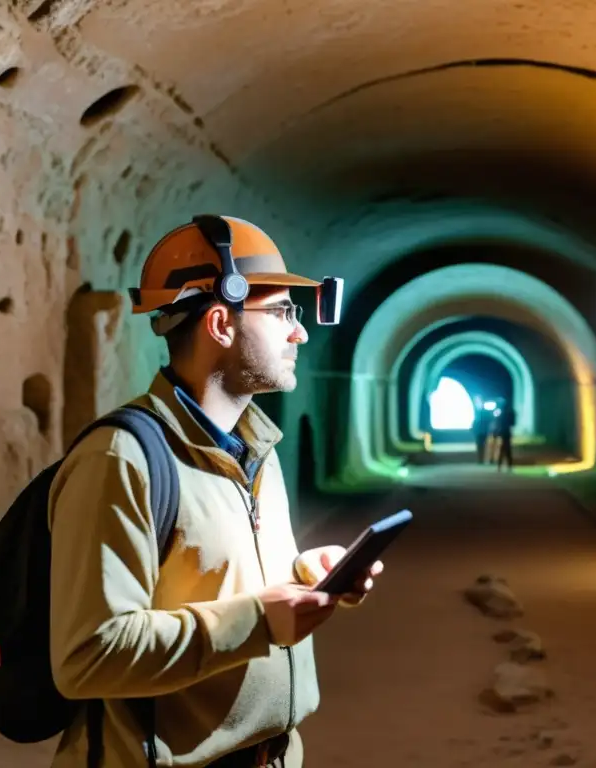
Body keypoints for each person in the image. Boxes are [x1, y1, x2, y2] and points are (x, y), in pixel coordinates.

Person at [48, 215, 383, 768]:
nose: (299, 332)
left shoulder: (257, 449)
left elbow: (218, 579)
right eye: (282, 312)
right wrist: (259, 620)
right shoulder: (122, 459)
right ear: (222, 324)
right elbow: (87, 656)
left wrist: (304, 575)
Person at [493, 399, 515, 472]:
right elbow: (512, 423)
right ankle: (508, 466)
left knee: (504, 449)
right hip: (506, 432)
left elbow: (498, 423)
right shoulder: (509, 413)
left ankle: (501, 466)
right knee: (507, 449)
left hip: (503, 432)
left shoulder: (502, 414)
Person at [472, 395, 490, 463]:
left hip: (481, 432)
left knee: (481, 446)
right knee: (481, 446)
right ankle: (480, 459)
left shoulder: (481, 413)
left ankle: (481, 459)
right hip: (481, 432)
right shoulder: (479, 412)